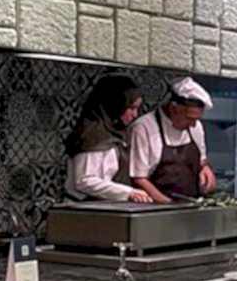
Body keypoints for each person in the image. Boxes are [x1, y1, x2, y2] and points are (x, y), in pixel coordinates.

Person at [130, 76, 217, 204]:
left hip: (191, 205)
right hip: (155, 207)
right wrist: (168, 205)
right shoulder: (143, 127)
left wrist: (206, 169)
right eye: (189, 118)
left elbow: (202, 161)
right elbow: (139, 179)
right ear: (173, 108)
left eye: (196, 119)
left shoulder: (196, 127)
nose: (193, 125)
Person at [64, 75, 151, 203]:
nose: (135, 115)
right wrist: (129, 192)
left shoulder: (116, 132)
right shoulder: (93, 134)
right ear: (116, 104)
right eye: (131, 108)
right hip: (83, 207)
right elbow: (84, 181)